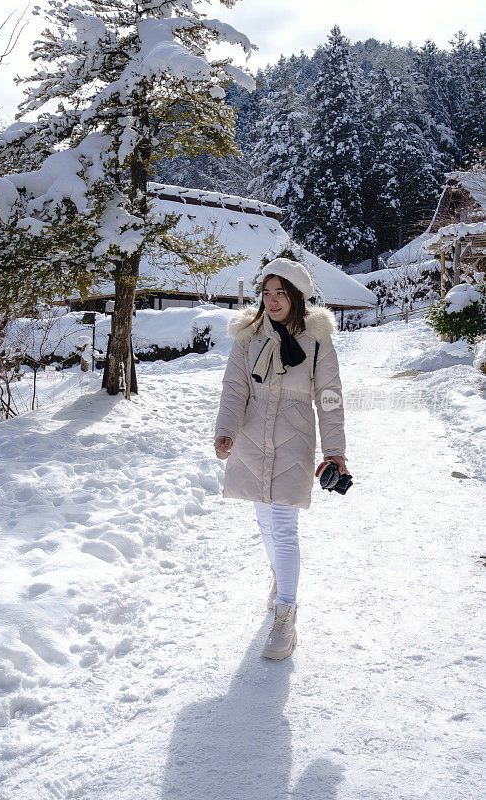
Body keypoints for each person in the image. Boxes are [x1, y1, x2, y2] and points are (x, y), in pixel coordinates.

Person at [213, 258, 352, 661]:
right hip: (252, 434)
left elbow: (329, 396)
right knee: (264, 522)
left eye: (281, 293)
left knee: (284, 524)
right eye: (266, 293)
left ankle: (285, 615)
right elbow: (234, 387)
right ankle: (279, 580)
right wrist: (225, 430)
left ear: (296, 295)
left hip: (294, 436)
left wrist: (335, 450)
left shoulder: (316, 339)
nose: (272, 301)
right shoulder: (248, 336)